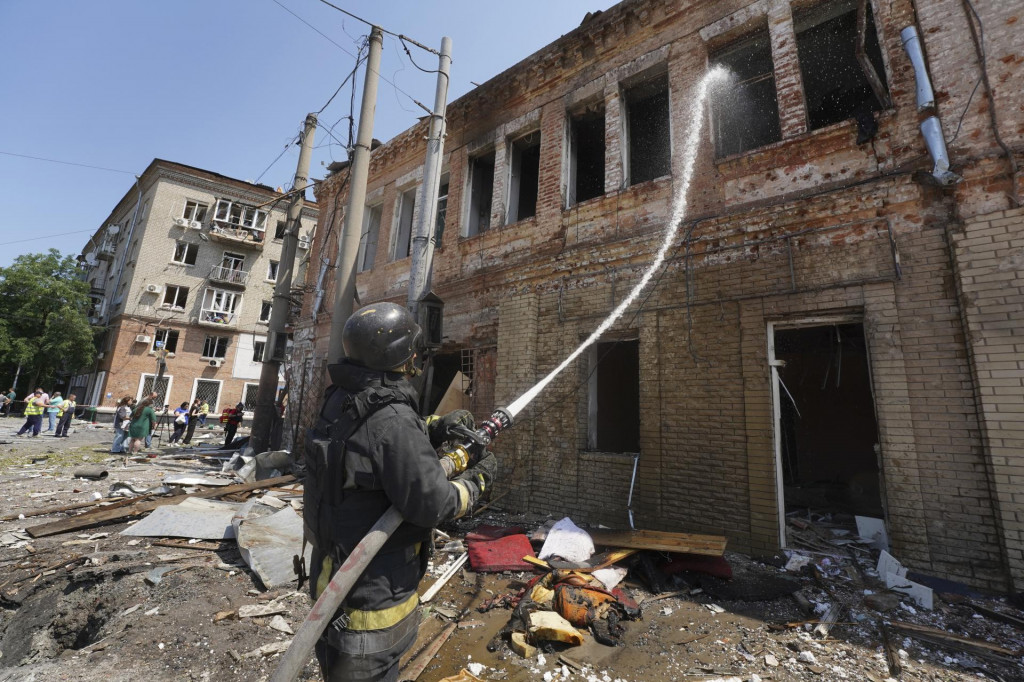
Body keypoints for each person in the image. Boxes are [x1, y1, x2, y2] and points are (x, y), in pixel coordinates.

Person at [304, 302, 496, 682]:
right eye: (414, 351)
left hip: (330, 587)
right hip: (370, 608)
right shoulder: (392, 420)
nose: (416, 359)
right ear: (401, 356)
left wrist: (435, 427)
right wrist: (478, 483)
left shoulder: (341, 398)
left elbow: (372, 444)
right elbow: (433, 502)